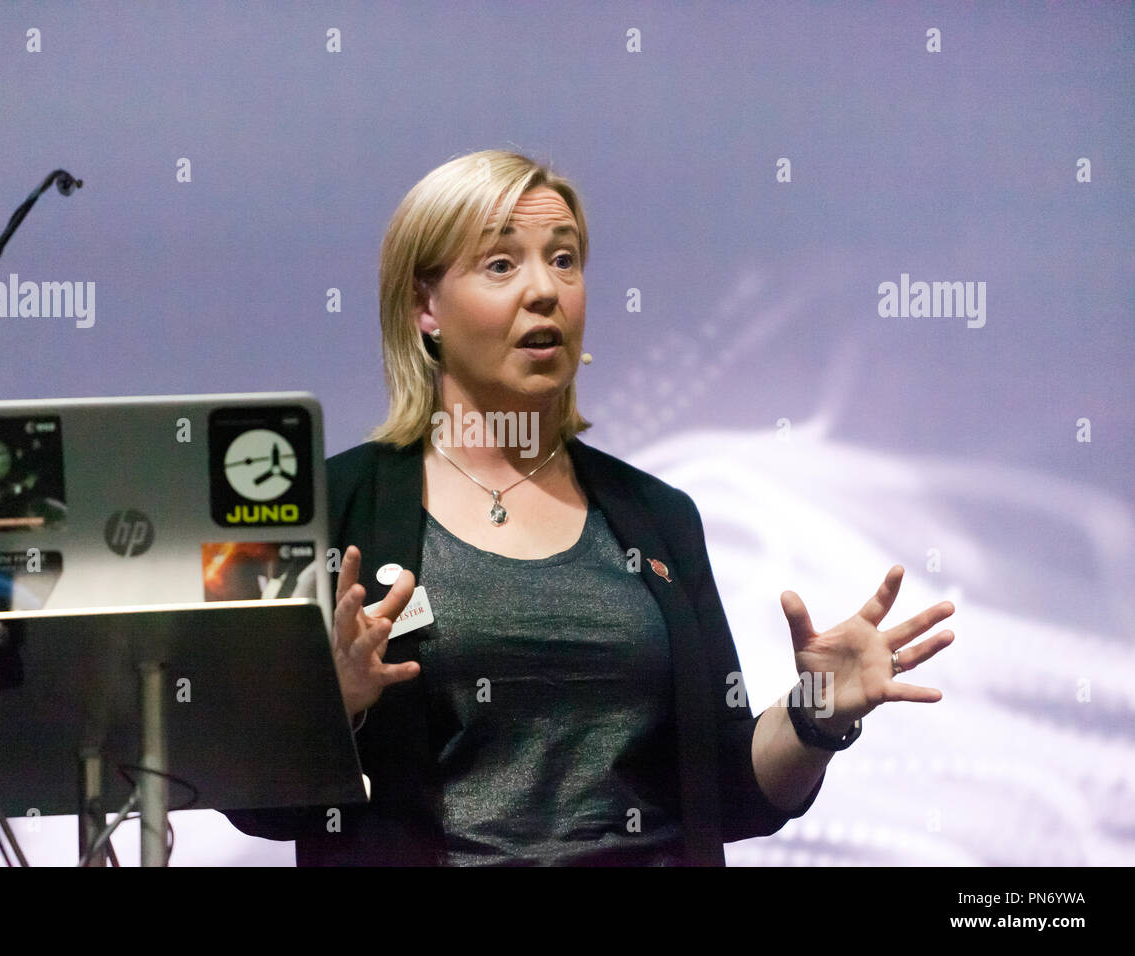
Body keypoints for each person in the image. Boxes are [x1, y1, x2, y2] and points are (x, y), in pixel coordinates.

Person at [225, 149, 955, 865]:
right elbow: (251, 800)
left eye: (565, 259)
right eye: (502, 264)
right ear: (425, 307)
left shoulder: (658, 516)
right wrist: (336, 705)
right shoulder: (327, 509)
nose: (545, 290)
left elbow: (731, 792)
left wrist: (814, 716)